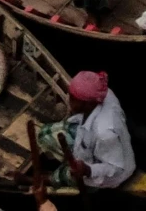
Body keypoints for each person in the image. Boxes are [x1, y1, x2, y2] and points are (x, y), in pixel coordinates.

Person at [34, 71, 136, 201]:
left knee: (63, 175)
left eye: (72, 99)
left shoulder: (104, 133)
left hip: (107, 172)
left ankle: (48, 178)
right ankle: (65, 159)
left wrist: (88, 170)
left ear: (89, 104)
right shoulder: (104, 94)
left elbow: (115, 168)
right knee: (44, 134)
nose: (68, 99)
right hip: (90, 140)